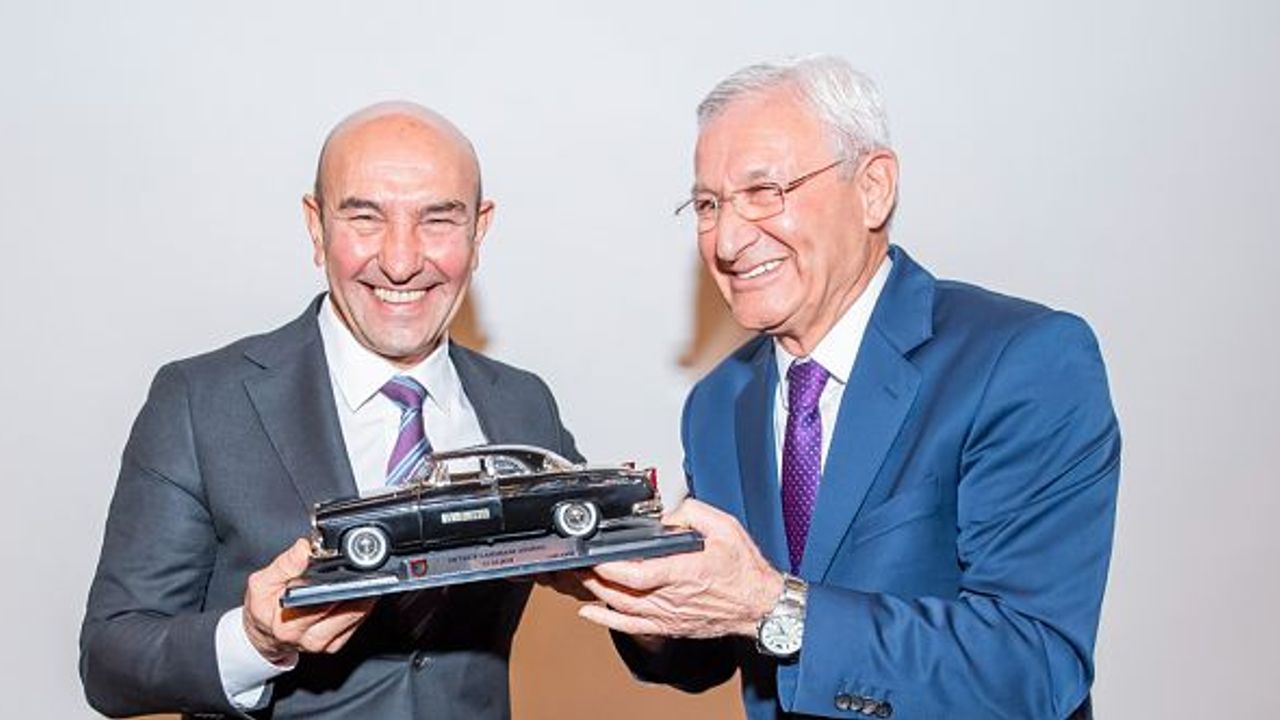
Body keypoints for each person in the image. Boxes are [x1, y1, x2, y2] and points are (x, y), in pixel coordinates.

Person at [570, 56, 1120, 719]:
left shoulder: (1023, 360)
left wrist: (773, 605)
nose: (728, 239)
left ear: (873, 188)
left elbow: (1030, 667)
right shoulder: (717, 403)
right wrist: (625, 584)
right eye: (709, 205)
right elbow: (710, 653)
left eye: (764, 191)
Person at [80, 102, 580, 719]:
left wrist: (671, 587)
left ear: (479, 231)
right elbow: (110, 659)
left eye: (437, 220)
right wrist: (254, 642)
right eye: (365, 217)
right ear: (316, 227)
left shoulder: (524, 404)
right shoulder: (200, 401)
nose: (401, 261)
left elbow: (623, 586)